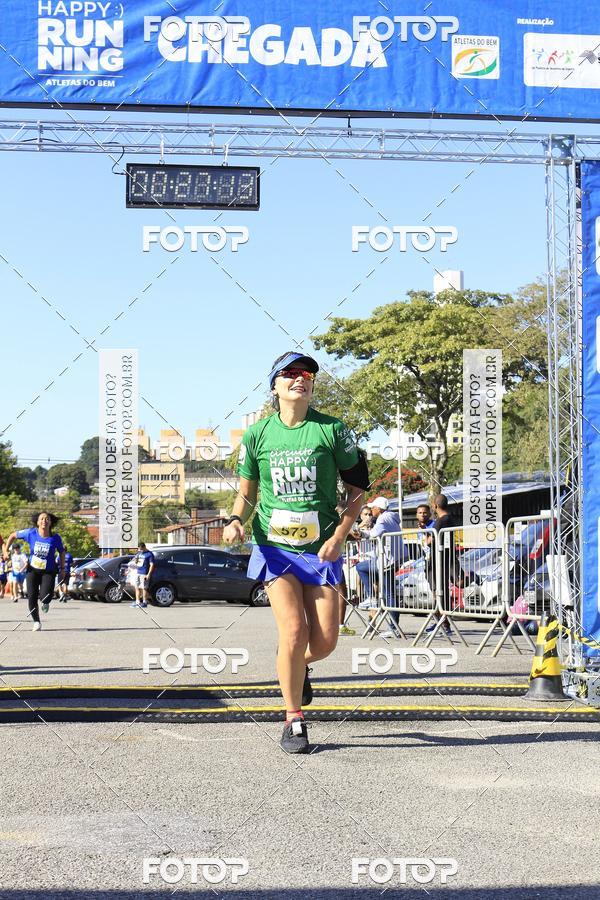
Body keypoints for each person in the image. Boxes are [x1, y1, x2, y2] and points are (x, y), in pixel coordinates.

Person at [223, 351, 369, 754]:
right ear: (275, 386)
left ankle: (296, 665)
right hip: (274, 547)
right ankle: (293, 720)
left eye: (306, 374)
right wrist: (235, 520)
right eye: (289, 374)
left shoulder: (332, 431)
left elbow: (358, 491)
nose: (299, 379)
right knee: (293, 631)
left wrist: (340, 535)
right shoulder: (257, 435)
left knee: (324, 643)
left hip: (321, 549)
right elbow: (246, 491)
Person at [3, 512, 65, 631]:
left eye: (47, 519)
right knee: (31, 597)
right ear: (37, 522)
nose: (44, 521)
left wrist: (62, 569)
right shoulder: (31, 533)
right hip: (33, 571)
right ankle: (36, 621)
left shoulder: (55, 538)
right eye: (41, 519)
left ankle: (45, 602)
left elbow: (61, 551)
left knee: (45, 596)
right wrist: (6, 551)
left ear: (50, 522)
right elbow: (12, 535)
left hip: (49, 571)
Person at [356, 497, 403, 638]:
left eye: (373, 508)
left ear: (379, 509)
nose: (371, 510)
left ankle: (372, 598)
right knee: (389, 592)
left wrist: (360, 533)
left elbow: (373, 534)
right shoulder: (391, 517)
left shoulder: (383, 519)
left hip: (386, 560)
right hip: (390, 559)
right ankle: (393, 626)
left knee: (361, 568)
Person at [426, 494, 460, 635]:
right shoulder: (450, 518)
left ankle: (444, 623)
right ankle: (442, 622)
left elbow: (430, 541)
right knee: (442, 591)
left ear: (435, 506)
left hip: (440, 560)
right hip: (448, 558)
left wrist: (426, 535)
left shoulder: (440, 521)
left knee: (440, 592)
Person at [129, 543, 155, 608]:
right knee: (137, 587)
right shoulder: (139, 554)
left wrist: (148, 574)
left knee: (144, 588)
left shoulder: (149, 554)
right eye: (139, 549)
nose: (140, 550)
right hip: (138, 572)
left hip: (144, 573)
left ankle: (144, 602)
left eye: (141, 549)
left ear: (144, 547)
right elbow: (136, 563)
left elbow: (152, 565)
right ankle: (137, 602)